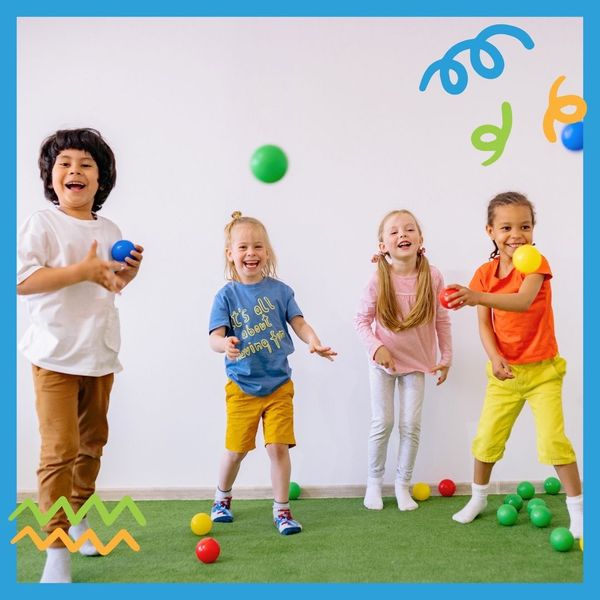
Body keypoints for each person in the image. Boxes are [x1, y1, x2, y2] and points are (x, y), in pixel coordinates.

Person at [17, 128, 144, 583]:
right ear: (51, 178)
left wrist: (122, 277)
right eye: (65, 164)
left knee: (91, 447)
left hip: (100, 354)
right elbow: (22, 281)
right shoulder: (42, 224)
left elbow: (107, 287)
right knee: (59, 452)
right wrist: (82, 269)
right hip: (53, 356)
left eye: (86, 165)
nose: (75, 170)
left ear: (101, 178)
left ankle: (79, 517)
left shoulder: (110, 230)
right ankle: (56, 548)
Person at [447, 191, 583, 539]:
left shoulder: (536, 263)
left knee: (554, 440)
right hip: (504, 372)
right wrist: (495, 358)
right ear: (490, 231)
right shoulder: (484, 273)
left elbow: (521, 302)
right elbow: (484, 324)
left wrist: (476, 296)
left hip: (543, 372)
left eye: (524, 225)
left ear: (534, 230)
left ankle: (578, 510)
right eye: (506, 227)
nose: (516, 234)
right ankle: (478, 499)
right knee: (487, 438)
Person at [208, 211, 336, 535]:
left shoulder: (281, 291)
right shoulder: (226, 295)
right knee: (235, 451)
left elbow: (299, 323)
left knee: (278, 447)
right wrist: (225, 345)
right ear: (230, 254)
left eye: (258, 247)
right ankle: (222, 498)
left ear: (267, 252)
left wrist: (314, 341)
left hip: (279, 385)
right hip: (242, 386)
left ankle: (282, 511)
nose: (251, 253)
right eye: (243, 247)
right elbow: (213, 338)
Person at [354, 210, 452, 511]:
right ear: (382, 245)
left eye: (409, 229)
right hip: (383, 363)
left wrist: (445, 357)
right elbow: (361, 321)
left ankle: (401, 485)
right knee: (382, 422)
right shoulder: (377, 279)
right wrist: (376, 349)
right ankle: (374, 483)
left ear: (420, 239)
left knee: (410, 425)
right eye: (394, 232)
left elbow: (442, 319)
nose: (402, 235)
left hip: (416, 363)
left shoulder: (432, 276)